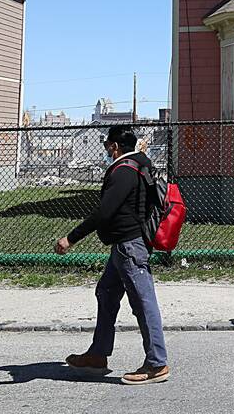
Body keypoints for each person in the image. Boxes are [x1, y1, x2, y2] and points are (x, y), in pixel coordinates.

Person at [55, 124, 170, 384]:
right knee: (106, 293)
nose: (107, 151)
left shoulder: (123, 171)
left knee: (143, 302)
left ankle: (157, 363)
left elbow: (104, 212)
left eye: (107, 146)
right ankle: (98, 354)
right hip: (123, 247)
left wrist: (70, 239)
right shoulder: (142, 164)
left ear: (114, 146)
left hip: (130, 247)